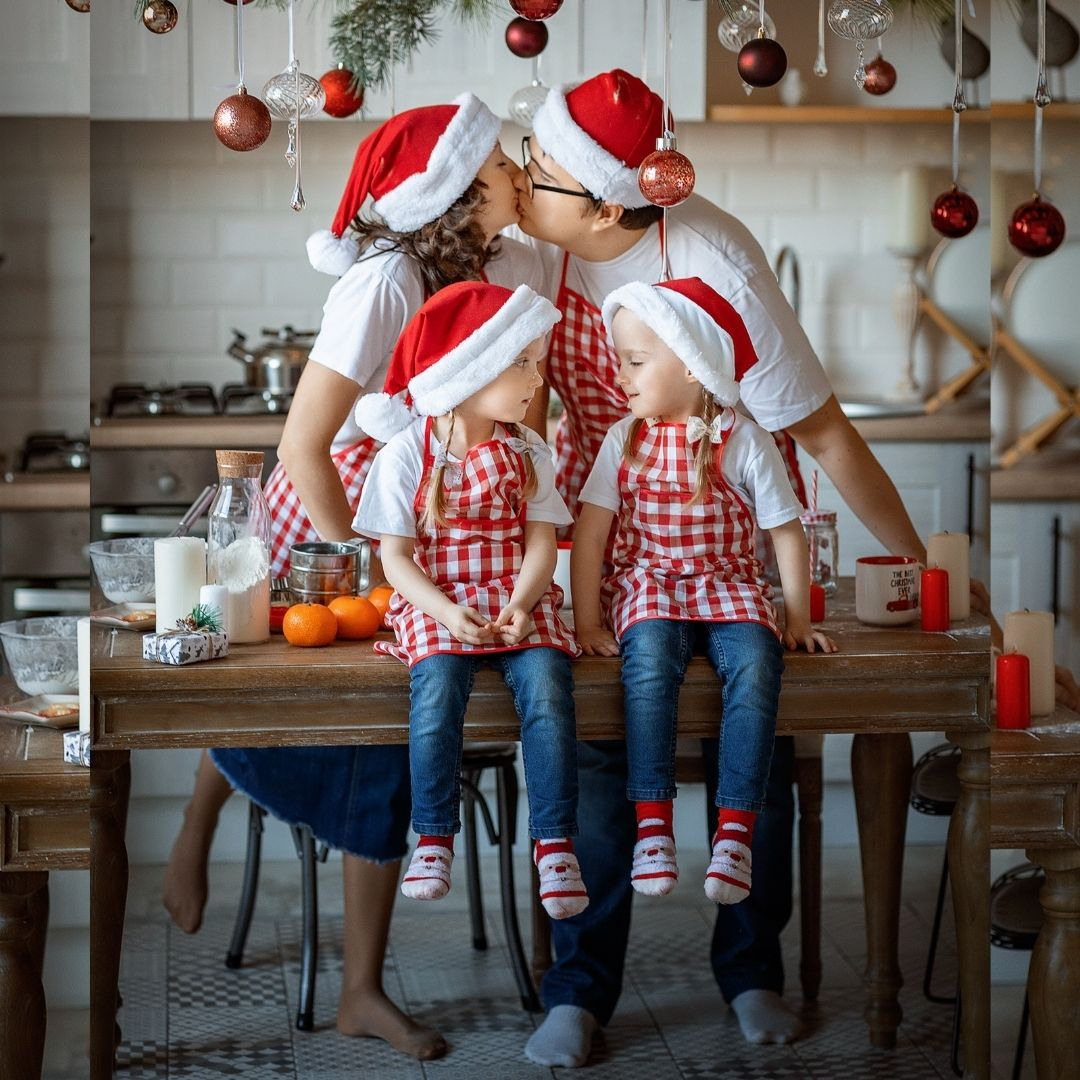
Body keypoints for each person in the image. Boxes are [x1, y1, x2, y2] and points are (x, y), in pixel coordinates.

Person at [507, 69, 950, 1066]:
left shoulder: (717, 257)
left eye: (542, 172)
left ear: (611, 203)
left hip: (723, 528)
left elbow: (826, 437)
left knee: (762, 733)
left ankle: (750, 969)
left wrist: (926, 572)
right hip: (602, 525)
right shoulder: (538, 244)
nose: (525, 183)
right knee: (599, 751)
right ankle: (579, 989)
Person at [161, 93, 543, 1061]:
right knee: (361, 716)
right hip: (328, 531)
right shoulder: (383, 284)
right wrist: (368, 560)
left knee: (382, 734)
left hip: (400, 521)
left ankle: (358, 990)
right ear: (453, 192)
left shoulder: (476, 267)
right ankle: (206, 831)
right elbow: (302, 446)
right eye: (497, 161)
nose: (514, 171)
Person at [573, 277, 836, 905]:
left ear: (694, 364)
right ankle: (654, 826)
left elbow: (785, 532)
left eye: (635, 361)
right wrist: (587, 622)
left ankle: (735, 834)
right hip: (650, 586)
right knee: (649, 669)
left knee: (755, 663)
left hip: (729, 585)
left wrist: (794, 615)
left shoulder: (744, 440)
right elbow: (590, 537)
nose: (621, 376)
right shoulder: (624, 439)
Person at [352, 281, 588, 918]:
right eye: (522, 364)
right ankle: (433, 834)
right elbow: (395, 559)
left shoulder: (529, 448)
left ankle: (555, 841)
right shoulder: (407, 453)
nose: (537, 379)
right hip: (438, 601)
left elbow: (542, 543)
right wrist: (447, 612)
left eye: (537, 363)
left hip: (516, 597)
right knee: (437, 691)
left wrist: (521, 601)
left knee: (547, 687)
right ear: (471, 369)